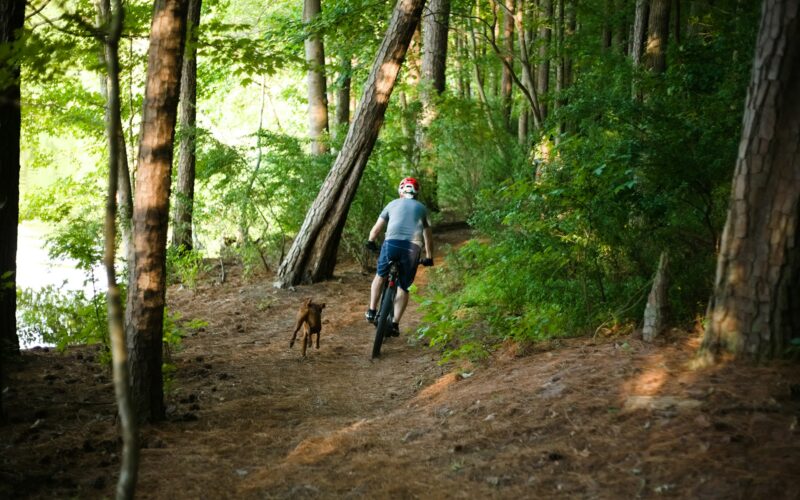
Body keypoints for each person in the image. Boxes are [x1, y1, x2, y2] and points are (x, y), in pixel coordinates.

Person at [365, 177, 434, 336]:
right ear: (417, 193)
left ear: (400, 191)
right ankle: (395, 324)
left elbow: (376, 229)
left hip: (391, 245)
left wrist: (370, 241)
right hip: (411, 248)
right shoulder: (422, 209)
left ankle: (371, 310)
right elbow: (428, 237)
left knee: (380, 276)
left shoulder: (392, 204)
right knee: (403, 286)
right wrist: (429, 257)